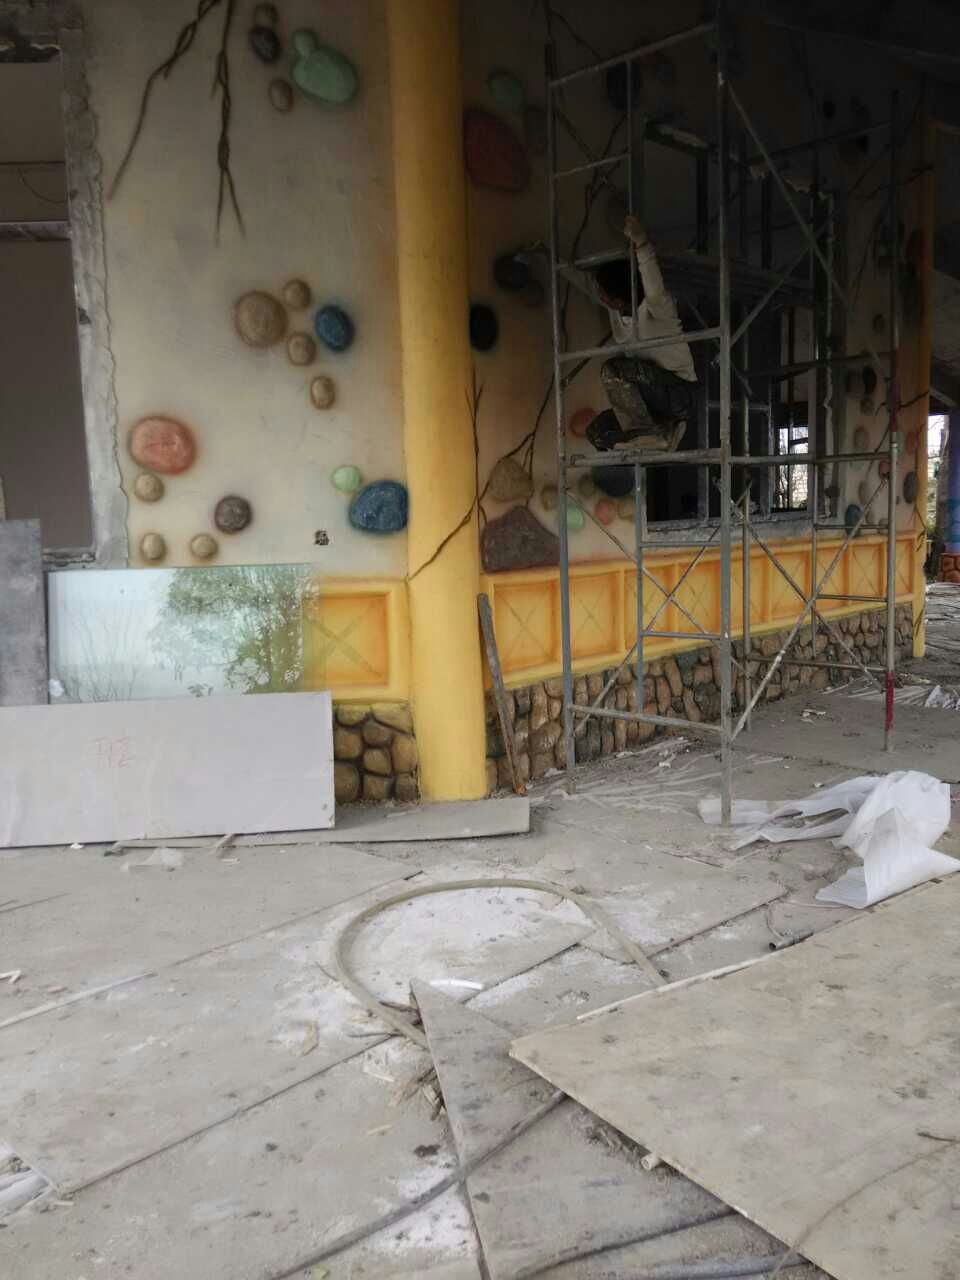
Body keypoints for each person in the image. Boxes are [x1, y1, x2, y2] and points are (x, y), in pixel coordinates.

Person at [570, 216, 697, 453]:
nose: (601, 297)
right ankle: (660, 434)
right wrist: (550, 258)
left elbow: (653, 284)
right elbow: (586, 285)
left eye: (604, 293)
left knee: (614, 370)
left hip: (677, 391)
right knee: (597, 432)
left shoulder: (657, 308)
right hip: (650, 400)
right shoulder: (616, 311)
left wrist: (641, 243)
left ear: (619, 298)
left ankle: (655, 432)